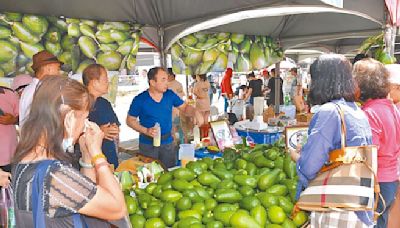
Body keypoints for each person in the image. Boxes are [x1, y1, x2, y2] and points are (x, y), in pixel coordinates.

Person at [12, 76, 127, 227]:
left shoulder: (25, 159)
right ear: (70, 118)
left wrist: (86, 157)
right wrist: (97, 154)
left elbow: (86, 195)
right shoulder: (53, 174)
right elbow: (117, 208)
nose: (85, 126)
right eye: (85, 118)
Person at [291, 54, 374, 227]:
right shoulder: (357, 111)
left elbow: (310, 166)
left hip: (336, 209)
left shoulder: (329, 112)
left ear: (322, 81)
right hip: (358, 204)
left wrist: (298, 157)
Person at [353, 58, 400, 228]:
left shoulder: (370, 113)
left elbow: (368, 154)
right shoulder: (390, 107)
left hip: (376, 182)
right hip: (391, 180)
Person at [127, 67, 203, 168]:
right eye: (163, 80)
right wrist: (145, 130)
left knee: (170, 171)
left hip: (167, 143)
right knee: (151, 175)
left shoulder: (169, 95)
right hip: (147, 145)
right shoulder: (140, 99)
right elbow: (130, 120)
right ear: (152, 82)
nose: (167, 83)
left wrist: (195, 112)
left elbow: (184, 108)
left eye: (167, 79)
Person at [82, 64, 120, 169]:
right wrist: (100, 132)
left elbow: (115, 125)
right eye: (105, 79)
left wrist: (115, 129)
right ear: (94, 82)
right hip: (90, 164)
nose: (108, 82)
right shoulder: (79, 105)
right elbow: (72, 135)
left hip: (110, 159)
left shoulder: (104, 103)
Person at [19, 50, 62, 127]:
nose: (59, 73)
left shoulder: (33, 89)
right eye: (58, 69)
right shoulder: (36, 92)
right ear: (49, 68)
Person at [0, 85, 19, 173]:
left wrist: (13, 120)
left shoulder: (9, 94)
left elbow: (23, 117)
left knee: (9, 184)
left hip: (7, 155)